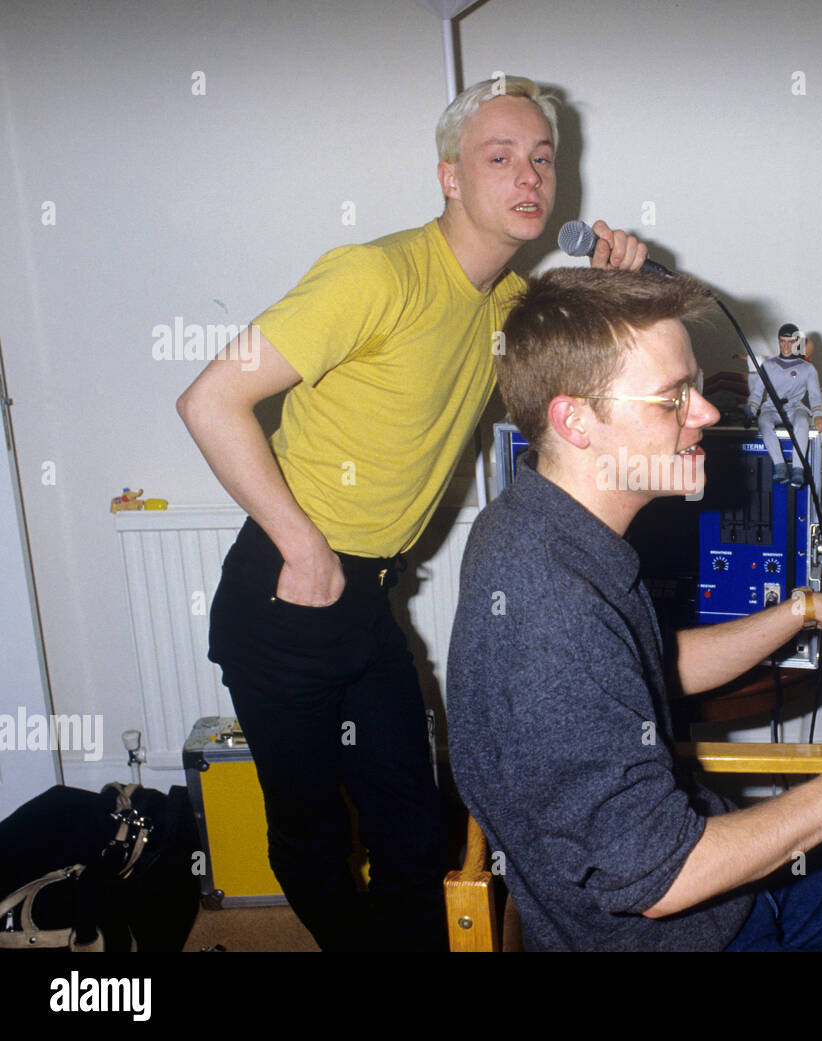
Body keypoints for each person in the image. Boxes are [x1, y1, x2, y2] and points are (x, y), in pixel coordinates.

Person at [175, 76, 645, 951]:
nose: (528, 176)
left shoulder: (504, 307)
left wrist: (615, 288)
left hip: (368, 601)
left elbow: (580, 396)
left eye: (542, 158)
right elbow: (209, 400)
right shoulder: (374, 274)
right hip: (284, 593)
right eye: (498, 157)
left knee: (417, 828)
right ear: (450, 178)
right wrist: (301, 542)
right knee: (312, 834)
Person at [446, 268, 822, 952]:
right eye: (672, 399)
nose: (708, 413)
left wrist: (803, 610)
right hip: (688, 929)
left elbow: (647, 667)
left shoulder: (534, 521)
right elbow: (659, 879)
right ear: (575, 419)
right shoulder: (553, 610)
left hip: (732, 893)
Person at [746, 323, 822, 488]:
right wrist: (751, 409)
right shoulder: (768, 366)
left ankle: (797, 469)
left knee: (802, 423)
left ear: (797, 342)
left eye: (790, 341)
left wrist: (818, 416)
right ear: (778, 342)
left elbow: (815, 396)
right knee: (764, 423)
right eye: (782, 341)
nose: (786, 346)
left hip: (794, 408)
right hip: (772, 408)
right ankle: (779, 466)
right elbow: (757, 392)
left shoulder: (807, 369)